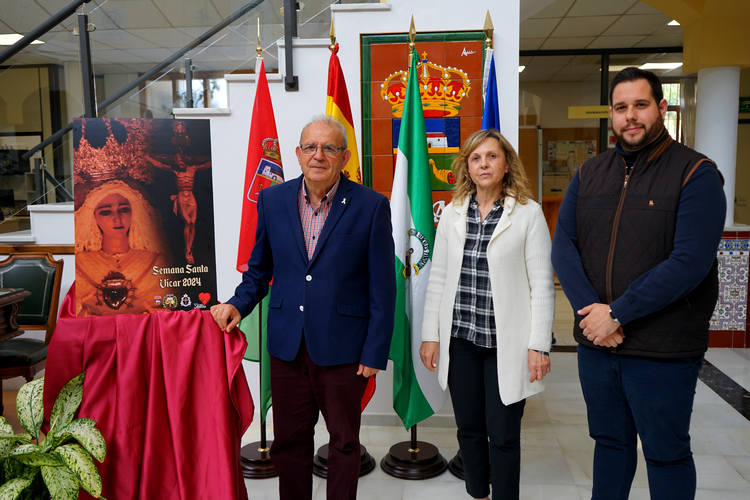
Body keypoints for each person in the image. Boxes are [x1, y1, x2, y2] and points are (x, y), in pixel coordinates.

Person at [551, 67, 726, 500]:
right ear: (611, 115)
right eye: (621, 107)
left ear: (661, 108)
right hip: (598, 346)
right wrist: (593, 317)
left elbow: (689, 262)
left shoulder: (696, 173)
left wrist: (617, 313)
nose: (630, 116)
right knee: (610, 445)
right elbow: (563, 247)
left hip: (662, 348)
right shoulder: (588, 173)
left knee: (666, 454)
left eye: (640, 105)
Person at [210, 115, 396, 500]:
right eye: (310, 147)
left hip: (344, 347)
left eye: (329, 148)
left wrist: (375, 350)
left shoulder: (372, 206)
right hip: (287, 347)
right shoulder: (273, 200)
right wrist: (237, 305)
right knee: (289, 443)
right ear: (297, 153)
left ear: (344, 157)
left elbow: (383, 285)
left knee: (344, 443)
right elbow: (259, 270)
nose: (318, 155)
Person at [419, 129, 555, 500]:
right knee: (469, 431)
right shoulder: (452, 213)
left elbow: (542, 285)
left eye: (492, 156)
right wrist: (430, 336)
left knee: (504, 434)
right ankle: (478, 494)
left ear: (506, 164)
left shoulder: (528, 214)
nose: (484, 164)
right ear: (466, 166)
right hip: (461, 341)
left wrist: (539, 345)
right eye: (476, 158)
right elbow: (438, 278)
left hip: (506, 345)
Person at [75, 180, 175, 316]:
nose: (117, 218)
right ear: (93, 217)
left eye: (123, 210)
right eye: (106, 212)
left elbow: (172, 304)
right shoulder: (78, 264)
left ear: (134, 212)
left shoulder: (157, 262)